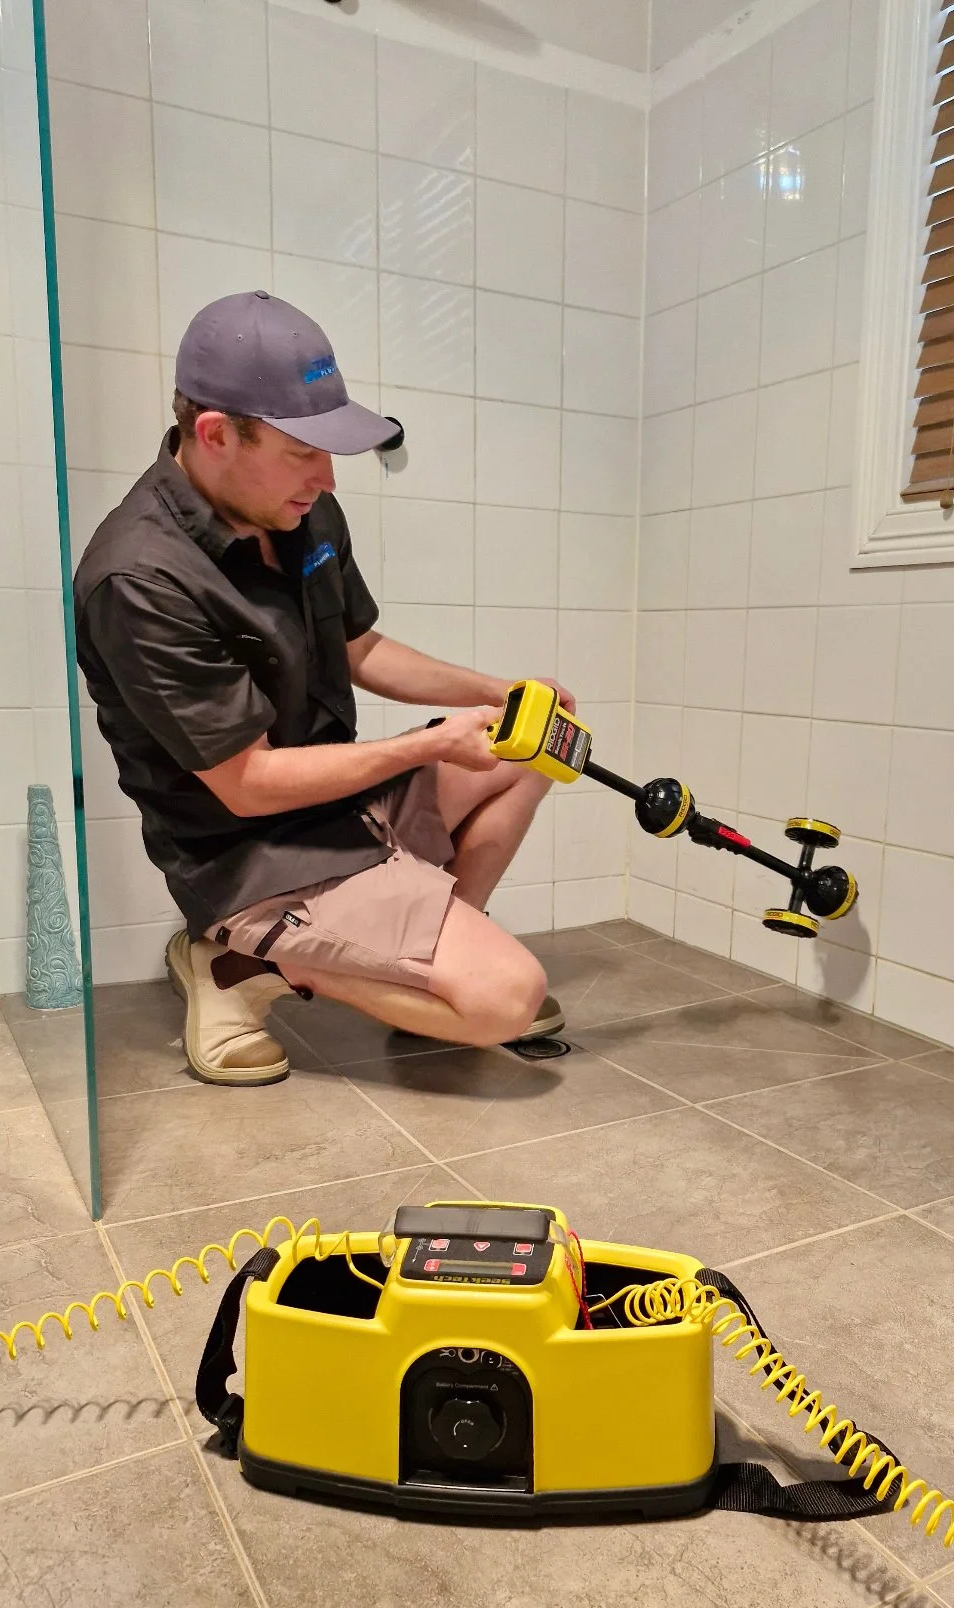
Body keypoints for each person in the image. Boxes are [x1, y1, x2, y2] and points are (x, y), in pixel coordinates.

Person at [74, 290, 568, 1087]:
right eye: (303, 450)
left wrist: (500, 693)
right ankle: (234, 963)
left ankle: (426, 965)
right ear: (214, 434)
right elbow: (248, 785)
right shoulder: (139, 578)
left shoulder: (299, 511)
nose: (326, 476)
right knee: (509, 1000)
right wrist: (432, 743)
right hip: (251, 856)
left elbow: (360, 645)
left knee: (528, 751)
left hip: (337, 807)